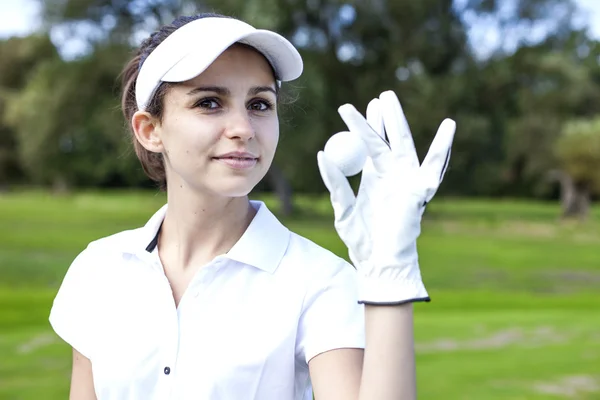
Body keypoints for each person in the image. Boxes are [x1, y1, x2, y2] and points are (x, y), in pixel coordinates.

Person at [48, 12, 456, 400]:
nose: (243, 129)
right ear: (150, 130)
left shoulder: (320, 281)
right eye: (209, 102)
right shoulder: (98, 269)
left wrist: (388, 278)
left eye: (260, 104)